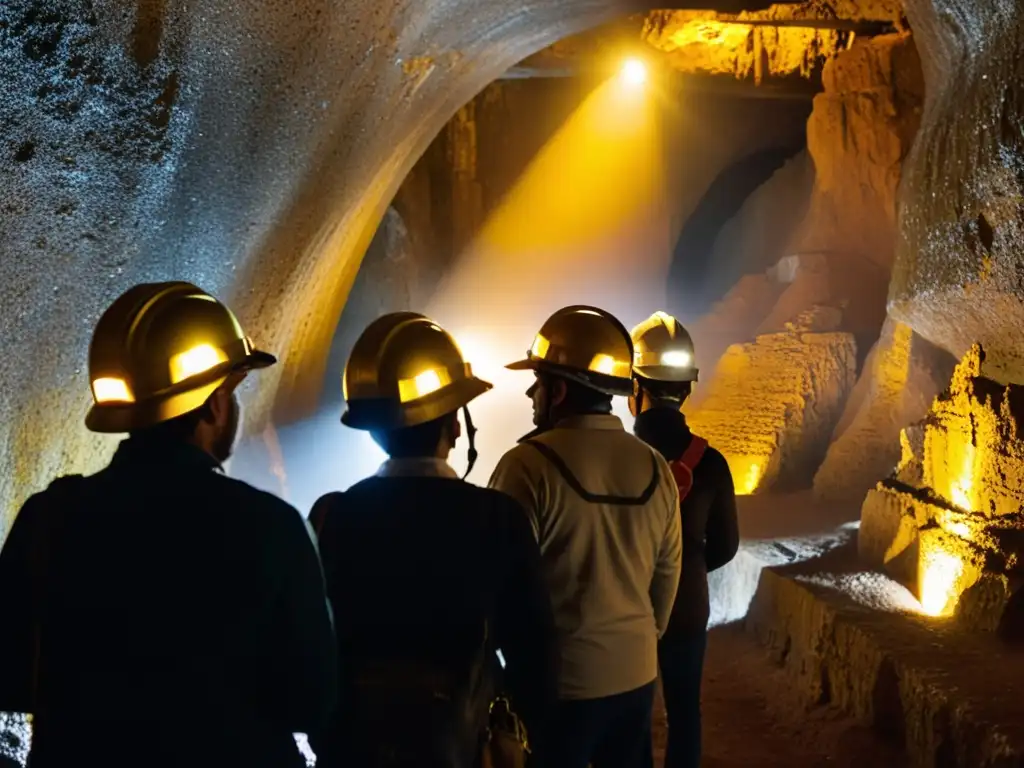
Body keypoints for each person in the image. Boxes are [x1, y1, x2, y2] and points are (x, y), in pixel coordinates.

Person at [0, 282, 337, 768]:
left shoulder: (49, 520)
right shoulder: (271, 527)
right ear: (214, 404)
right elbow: (313, 701)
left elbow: (11, 680)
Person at [309, 311, 559, 768]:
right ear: (456, 426)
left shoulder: (336, 516)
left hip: (359, 750)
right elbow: (534, 651)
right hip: (459, 747)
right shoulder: (497, 518)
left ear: (375, 431)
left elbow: (318, 648)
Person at [489, 305, 682, 768]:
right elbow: (667, 573)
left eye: (537, 381)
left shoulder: (526, 467)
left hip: (559, 686)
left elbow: (498, 581)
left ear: (557, 390)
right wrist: (635, 638)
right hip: (635, 676)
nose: (531, 393)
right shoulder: (655, 467)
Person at [629, 311, 739, 768]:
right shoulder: (711, 463)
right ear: (689, 386)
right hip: (688, 604)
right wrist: (685, 567)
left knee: (630, 718)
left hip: (628, 604)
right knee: (684, 715)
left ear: (634, 389)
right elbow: (727, 545)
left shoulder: (619, 457)